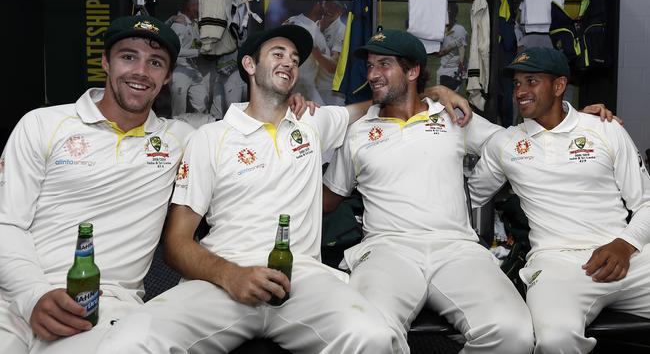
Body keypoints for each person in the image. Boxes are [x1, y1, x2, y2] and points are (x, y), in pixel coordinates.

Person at [95, 25, 471, 354]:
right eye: (278, 54)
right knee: (126, 343)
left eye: (294, 58)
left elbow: (382, 97)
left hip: (303, 278)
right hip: (221, 277)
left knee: (375, 337)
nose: (289, 62)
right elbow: (177, 243)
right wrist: (231, 275)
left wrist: (433, 91)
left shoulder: (312, 124)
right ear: (249, 66)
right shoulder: (210, 138)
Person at [322, 29, 536, 354]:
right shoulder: (358, 131)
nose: (372, 74)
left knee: (514, 332)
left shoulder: (453, 116)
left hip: (456, 249)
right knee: (368, 333)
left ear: (412, 71)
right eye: (369, 66)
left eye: (384, 64)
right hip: (387, 249)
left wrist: (578, 121)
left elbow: (514, 145)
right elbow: (328, 198)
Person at [0, 15, 195, 354]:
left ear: (167, 78)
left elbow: (246, 132)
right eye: (128, 56)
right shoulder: (42, 124)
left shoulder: (180, 140)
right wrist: (32, 295)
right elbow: (6, 222)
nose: (140, 71)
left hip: (105, 303)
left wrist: (297, 106)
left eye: (155, 63)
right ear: (105, 61)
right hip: (13, 293)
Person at [468, 47, 650, 354]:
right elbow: (469, 198)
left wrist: (625, 243)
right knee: (554, 340)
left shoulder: (604, 128)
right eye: (516, 84)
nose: (520, 91)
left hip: (628, 254)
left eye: (531, 81)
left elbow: (645, 202)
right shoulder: (505, 143)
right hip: (557, 264)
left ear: (559, 85)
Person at [167, 0, 213, 116]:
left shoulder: (195, 24)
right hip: (180, 71)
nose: (200, 8)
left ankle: (199, 130)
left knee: (202, 104)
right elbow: (175, 50)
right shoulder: (178, 24)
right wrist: (198, 52)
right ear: (189, 7)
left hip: (193, 70)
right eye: (197, 5)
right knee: (178, 110)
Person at [283, 0, 330, 105]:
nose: (326, 7)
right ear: (316, 5)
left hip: (305, 84)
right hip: (302, 87)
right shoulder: (303, 30)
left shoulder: (296, 21)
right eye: (323, 3)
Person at [312, 0, 347, 106]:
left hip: (331, 91)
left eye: (336, 7)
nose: (330, 10)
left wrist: (314, 51)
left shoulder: (342, 31)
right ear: (323, 5)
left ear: (341, 11)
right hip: (311, 86)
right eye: (328, 5)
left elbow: (333, 66)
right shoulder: (313, 25)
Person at [435, 2, 468, 91]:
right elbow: (438, 53)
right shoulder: (441, 29)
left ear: (453, 13)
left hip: (454, 70)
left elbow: (462, 51)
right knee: (440, 99)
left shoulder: (459, 30)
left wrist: (461, 71)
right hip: (443, 68)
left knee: (450, 100)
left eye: (448, 12)